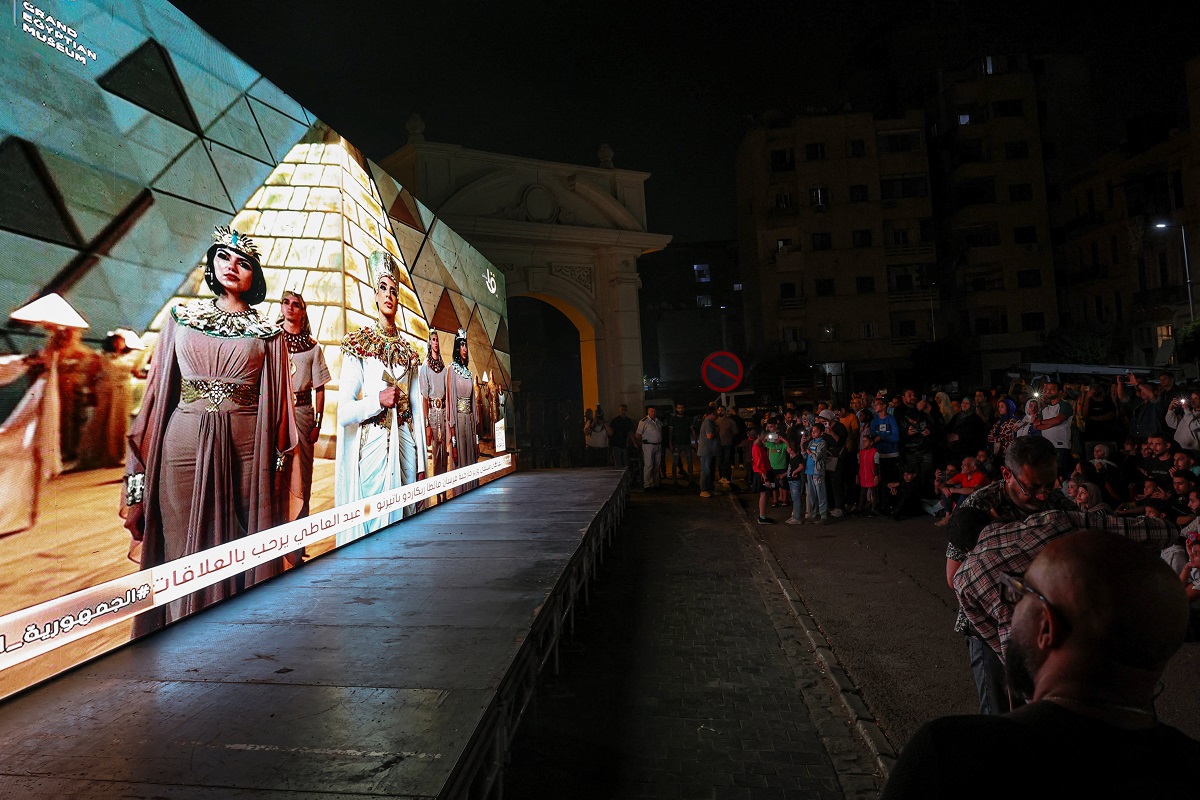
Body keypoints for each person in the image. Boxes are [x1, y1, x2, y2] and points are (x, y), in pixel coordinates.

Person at [885, 530, 1200, 799]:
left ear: (1047, 628)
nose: (1014, 604)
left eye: (1023, 593)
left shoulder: (951, 756)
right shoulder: (1189, 767)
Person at [124, 226, 298, 633]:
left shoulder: (268, 333)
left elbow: (278, 409)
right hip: (182, 444)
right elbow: (157, 400)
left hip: (247, 448)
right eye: (223, 257)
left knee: (239, 541)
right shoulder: (180, 318)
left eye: (243, 262)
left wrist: (274, 471)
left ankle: (234, 639)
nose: (232, 266)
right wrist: (137, 482)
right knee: (181, 539)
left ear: (255, 275)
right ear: (211, 264)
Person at [335, 250, 427, 544]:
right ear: (374, 296)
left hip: (406, 447)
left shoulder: (410, 353)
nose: (389, 295)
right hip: (373, 446)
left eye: (394, 291)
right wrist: (377, 400)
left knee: (407, 528)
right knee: (374, 530)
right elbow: (344, 413)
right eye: (383, 289)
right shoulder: (359, 344)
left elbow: (417, 410)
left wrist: (423, 465)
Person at [280, 290, 330, 520]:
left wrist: (317, 423)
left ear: (303, 312)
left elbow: (320, 388)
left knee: (302, 475)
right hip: (277, 413)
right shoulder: (272, 340)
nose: (290, 307)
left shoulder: (313, 347)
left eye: (296, 305)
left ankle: (298, 540)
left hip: (303, 414)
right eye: (285, 302)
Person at [78, 331, 137, 469]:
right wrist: (90, 391)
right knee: (102, 419)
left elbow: (136, 372)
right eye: (116, 341)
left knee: (120, 420)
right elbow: (91, 375)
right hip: (106, 389)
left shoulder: (130, 358)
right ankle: (97, 454)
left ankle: (118, 454)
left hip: (123, 390)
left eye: (122, 341)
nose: (119, 344)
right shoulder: (101, 357)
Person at [446, 328, 478, 491]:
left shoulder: (469, 373)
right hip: (458, 423)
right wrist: (453, 442)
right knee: (461, 465)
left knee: (472, 463)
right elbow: (450, 404)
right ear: (457, 348)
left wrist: (477, 439)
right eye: (462, 345)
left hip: (470, 423)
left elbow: (473, 405)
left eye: (466, 345)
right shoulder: (452, 369)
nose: (465, 349)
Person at [419, 331, 448, 493]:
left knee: (444, 451)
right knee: (436, 452)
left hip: (443, 413)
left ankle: (444, 485)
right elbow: (424, 398)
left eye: (437, 340)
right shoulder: (425, 367)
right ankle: (437, 488)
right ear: (429, 343)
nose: (436, 343)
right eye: (433, 340)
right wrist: (427, 424)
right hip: (432, 413)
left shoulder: (443, 368)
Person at [1033, 381, 1074, 478]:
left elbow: (1058, 420)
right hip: (1047, 447)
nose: (1049, 391)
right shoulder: (1044, 409)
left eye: (1052, 389)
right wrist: (1051, 423)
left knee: (1059, 474)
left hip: (1061, 446)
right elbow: (1036, 425)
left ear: (1059, 392)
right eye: (1047, 389)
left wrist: (1043, 422)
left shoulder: (1065, 405)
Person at [634, 405, 664, 489]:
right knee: (649, 465)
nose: (653, 412)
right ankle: (647, 484)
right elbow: (638, 434)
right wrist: (641, 443)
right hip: (648, 445)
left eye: (654, 411)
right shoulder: (644, 421)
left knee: (657, 465)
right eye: (651, 411)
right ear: (648, 411)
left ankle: (656, 483)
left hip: (658, 445)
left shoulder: (658, 421)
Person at [751, 426, 776, 523]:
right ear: (758, 436)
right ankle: (762, 516)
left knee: (765, 494)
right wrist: (765, 478)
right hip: (762, 474)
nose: (765, 436)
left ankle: (763, 516)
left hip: (763, 473)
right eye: (763, 435)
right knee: (764, 494)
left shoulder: (758, 446)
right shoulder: (757, 448)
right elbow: (759, 464)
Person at [668, 402, 695, 485]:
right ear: (676, 409)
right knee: (675, 462)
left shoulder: (688, 418)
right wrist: (670, 443)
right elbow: (670, 432)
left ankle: (691, 479)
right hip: (677, 444)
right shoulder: (673, 419)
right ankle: (674, 480)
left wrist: (695, 442)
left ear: (684, 408)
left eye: (682, 408)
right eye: (679, 408)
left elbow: (692, 430)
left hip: (687, 443)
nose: (680, 409)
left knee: (690, 461)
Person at [697, 407, 719, 498]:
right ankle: (703, 489)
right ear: (712, 414)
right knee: (706, 470)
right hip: (706, 451)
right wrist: (717, 431)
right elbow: (709, 436)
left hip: (710, 451)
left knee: (710, 470)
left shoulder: (710, 422)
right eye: (715, 413)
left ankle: (710, 488)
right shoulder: (708, 423)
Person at [609, 403, 634, 468]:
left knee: (625, 463)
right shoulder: (615, 421)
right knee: (618, 464)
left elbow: (630, 432)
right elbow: (610, 432)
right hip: (616, 444)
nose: (623, 411)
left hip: (624, 444)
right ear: (619, 410)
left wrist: (634, 443)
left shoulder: (628, 421)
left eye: (624, 410)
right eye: (622, 410)